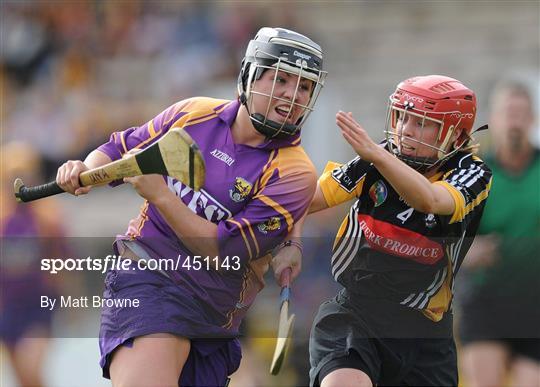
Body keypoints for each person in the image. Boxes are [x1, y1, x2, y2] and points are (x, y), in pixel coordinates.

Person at [55, 27, 327, 386]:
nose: (292, 95)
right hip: (149, 276)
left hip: (214, 315)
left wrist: (161, 194)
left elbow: (221, 248)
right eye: (281, 79)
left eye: (304, 87)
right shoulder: (195, 114)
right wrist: (85, 170)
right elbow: (120, 147)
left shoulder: (294, 173)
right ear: (249, 75)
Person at [275, 75, 492, 386]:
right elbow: (306, 200)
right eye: (403, 117)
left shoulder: (473, 173)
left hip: (425, 334)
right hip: (355, 316)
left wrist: (378, 156)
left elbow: (430, 200)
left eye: (421, 123)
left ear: (455, 136)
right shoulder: (375, 159)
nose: (405, 130)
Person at [457, 80, 540, 387]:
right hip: (485, 301)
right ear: (494, 119)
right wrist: (467, 251)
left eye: (521, 113)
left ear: (533, 119)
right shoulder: (474, 174)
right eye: (508, 113)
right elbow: (444, 237)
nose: (514, 121)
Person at [0, 142, 67, 387]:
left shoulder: (47, 217)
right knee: (22, 379)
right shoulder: (2, 218)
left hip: (38, 306)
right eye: (11, 175)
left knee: (32, 369)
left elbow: (63, 260)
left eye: (24, 174)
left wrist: (70, 302)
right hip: (7, 307)